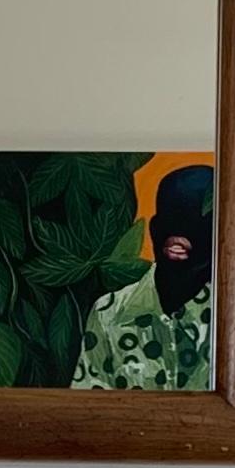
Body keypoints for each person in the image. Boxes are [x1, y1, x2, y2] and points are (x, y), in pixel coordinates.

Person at [75, 164, 215, 390]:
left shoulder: (231, 317)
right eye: (172, 217)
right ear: (154, 229)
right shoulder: (109, 312)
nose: (179, 233)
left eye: (195, 221)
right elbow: (87, 404)